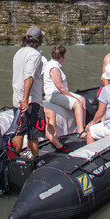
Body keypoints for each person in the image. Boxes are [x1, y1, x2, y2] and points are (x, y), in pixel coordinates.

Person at [11, 26, 46, 158]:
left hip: (17, 98)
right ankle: (34, 162)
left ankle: (11, 160)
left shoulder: (18, 52)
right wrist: (26, 99)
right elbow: (29, 76)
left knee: (19, 131)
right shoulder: (35, 55)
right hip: (31, 101)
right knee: (33, 134)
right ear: (39, 40)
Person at [43, 45, 86, 139]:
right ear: (62, 57)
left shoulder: (54, 65)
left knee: (82, 99)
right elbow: (60, 87)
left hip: (59, 93)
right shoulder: (54, 68)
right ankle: (80, 131)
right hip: (53, 95)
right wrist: (71, 96)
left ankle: (83, 125)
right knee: (77, 103)